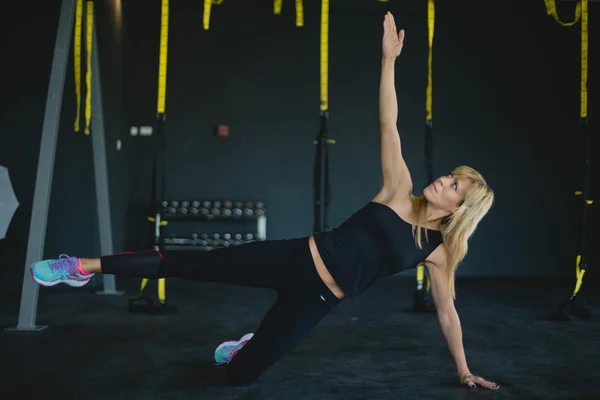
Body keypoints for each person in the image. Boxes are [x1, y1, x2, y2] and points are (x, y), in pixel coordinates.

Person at [29, 12, 499, 391]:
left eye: (455, 186)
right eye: (450, 176)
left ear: (460, 210)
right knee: (184, 264)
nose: (444, 181)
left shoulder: (438, 252)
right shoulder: (400, 188)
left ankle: (245, 348)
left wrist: (463, 370)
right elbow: (388, 124)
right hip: (292, 257)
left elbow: (447, 313)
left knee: (238, 377)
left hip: (316, 300)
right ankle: (79, 267)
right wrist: (388, 61)